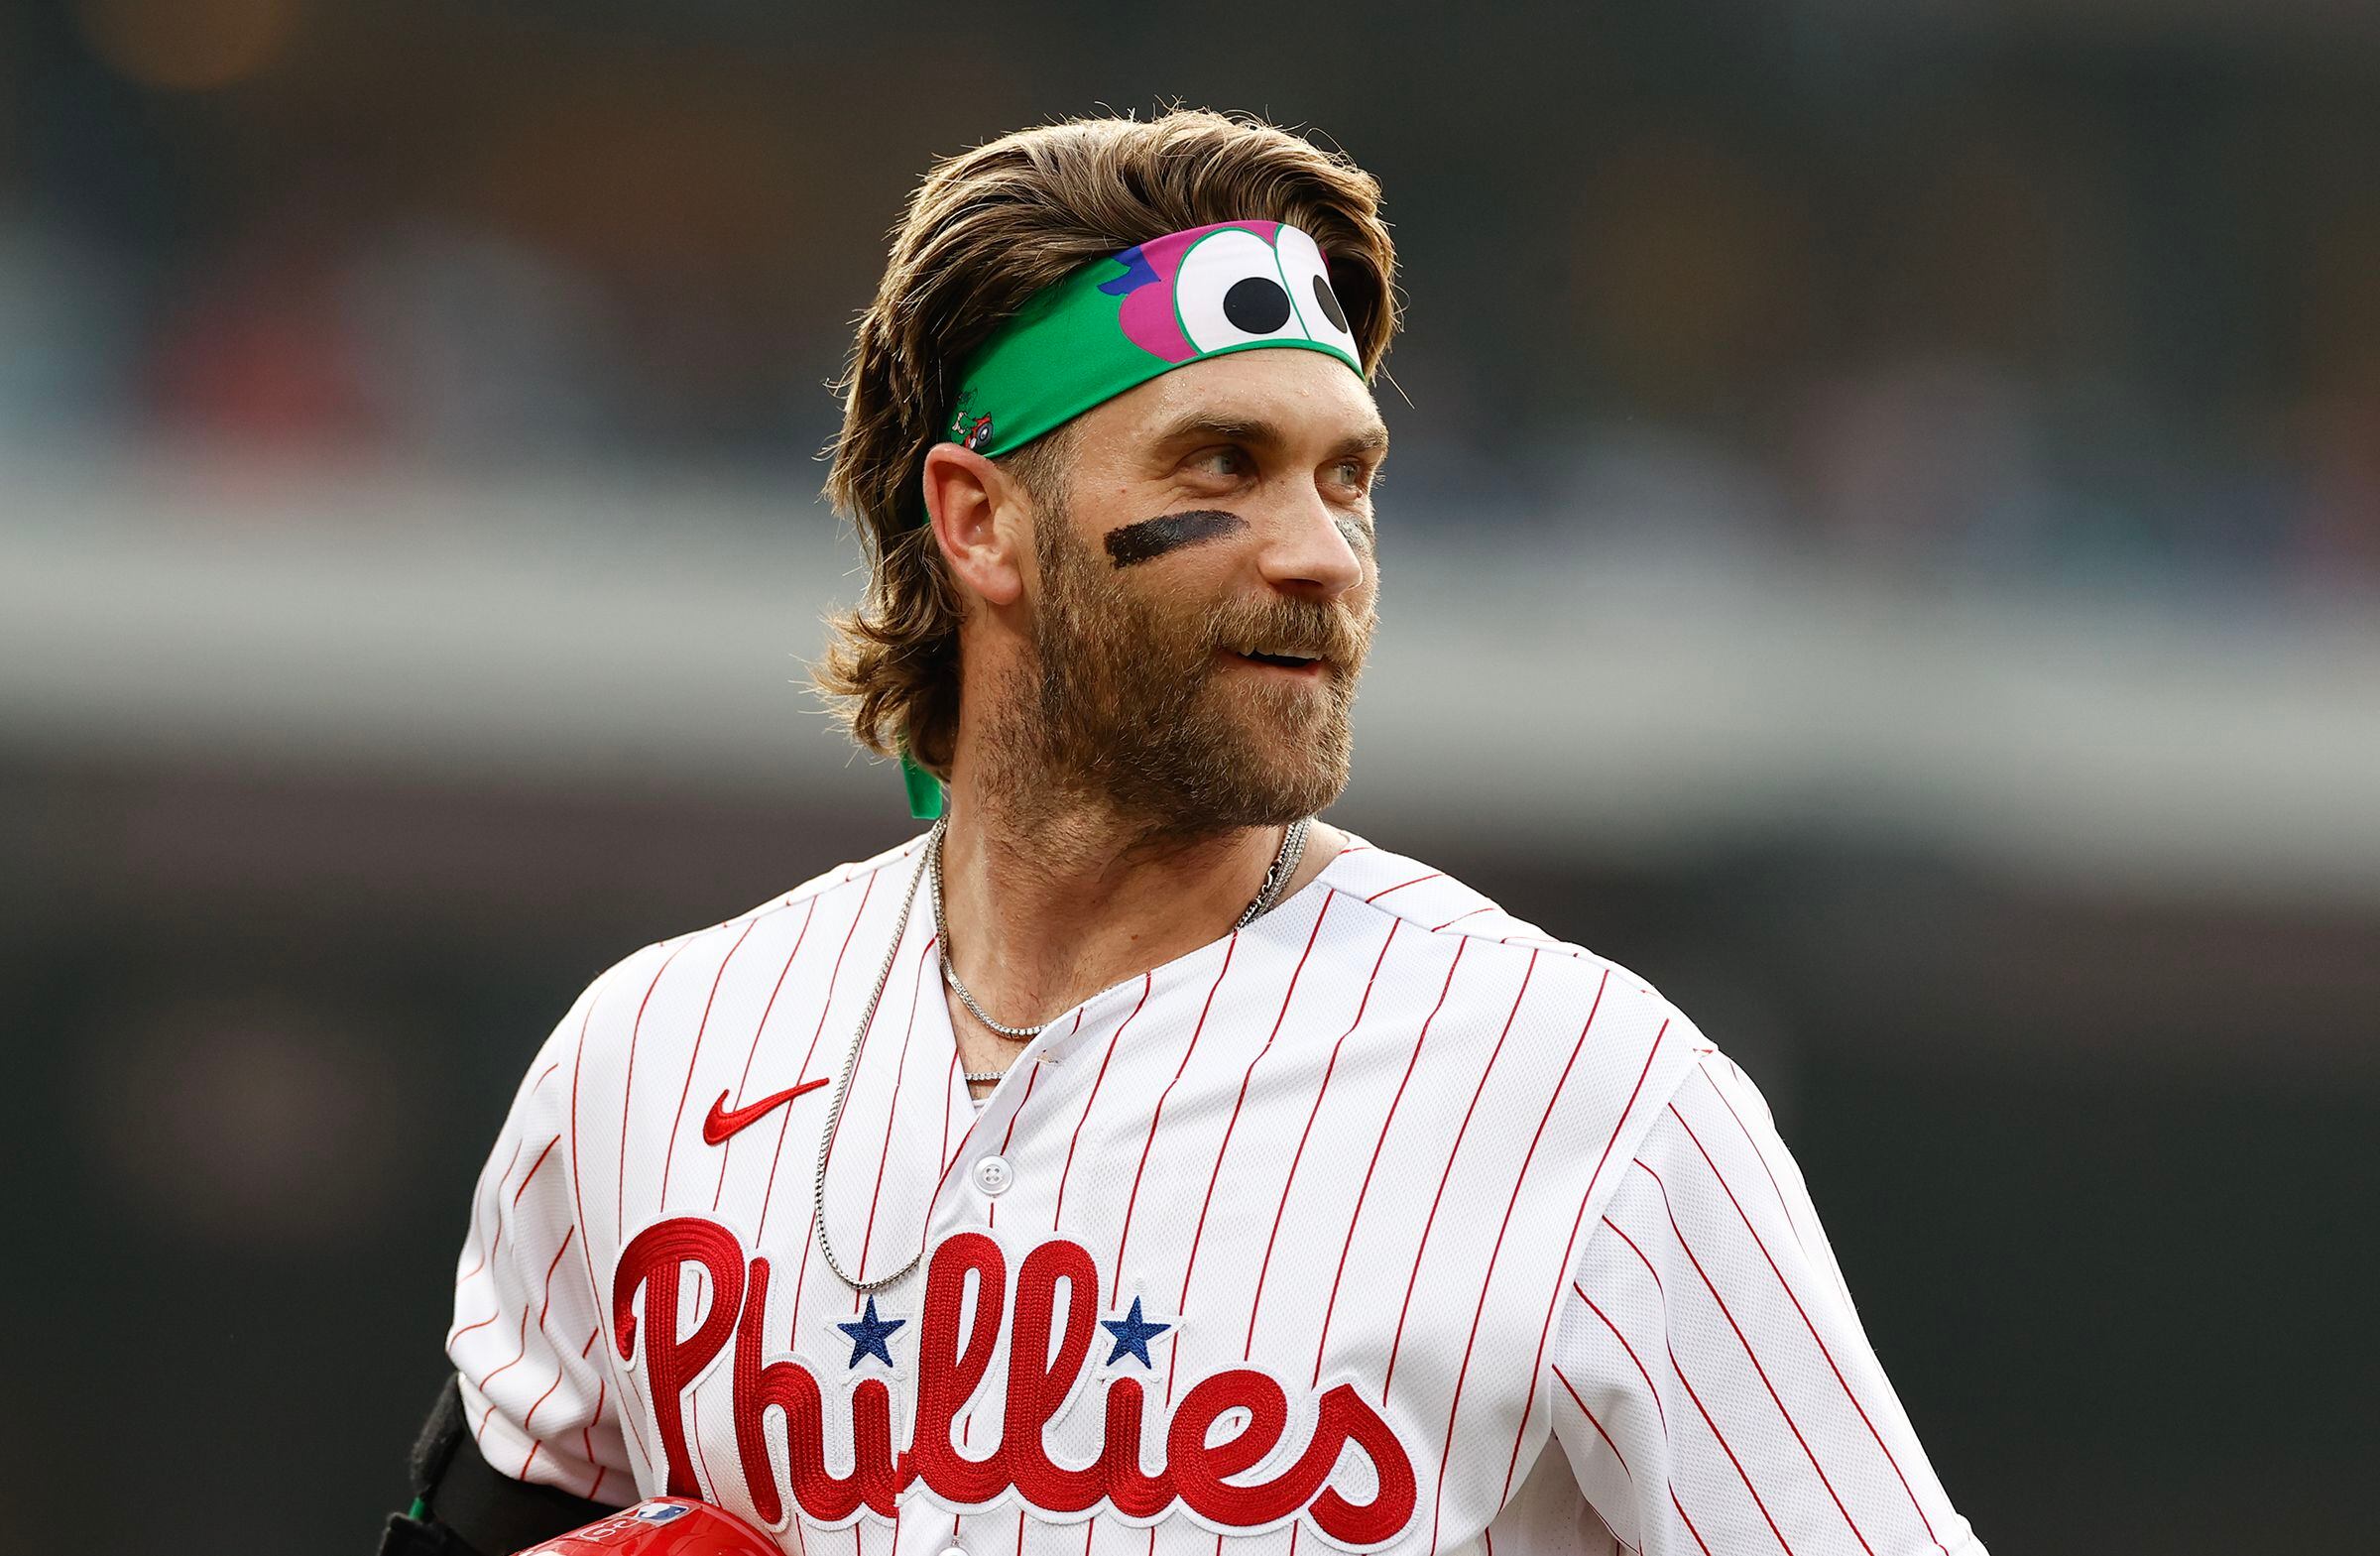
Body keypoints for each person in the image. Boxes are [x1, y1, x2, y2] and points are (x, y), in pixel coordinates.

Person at [388, 109, 1987, 1556]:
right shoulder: (646, 1060)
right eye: (1227, 462)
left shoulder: (1592, 1095)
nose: (1324, 554)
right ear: (979, 521)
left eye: (1348, 478)